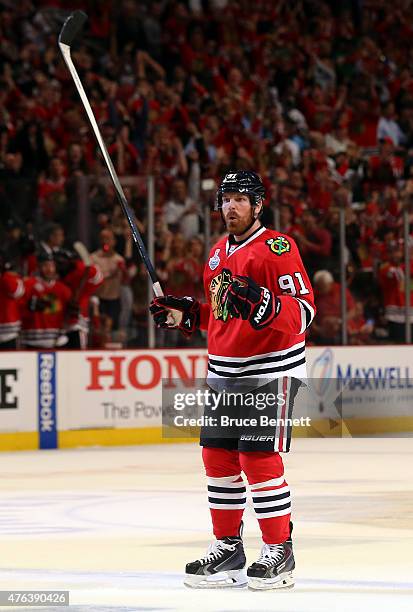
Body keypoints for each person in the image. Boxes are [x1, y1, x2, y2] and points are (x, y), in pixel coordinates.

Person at [150, 171, 315, 590]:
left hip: (270, 370)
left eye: (242, 199)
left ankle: (280, 550)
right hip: (223, 372)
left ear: (259, 205)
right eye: (226, 199)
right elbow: (223, 314)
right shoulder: (217, 252)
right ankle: (228, 548)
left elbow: (303, 313)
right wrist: (188, 314)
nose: (231, 206)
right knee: (218, 461)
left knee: (258, 461)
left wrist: (265, 302)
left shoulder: (278, 248)